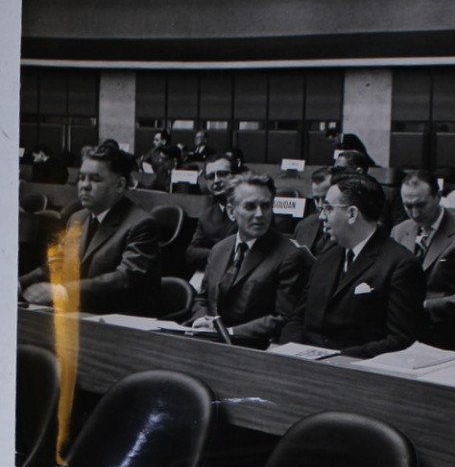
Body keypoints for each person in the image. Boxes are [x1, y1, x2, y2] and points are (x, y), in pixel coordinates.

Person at [280, 173, 426, 358]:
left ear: (352, 214)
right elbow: (298, 318)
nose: (321, 217)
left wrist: (334, 358)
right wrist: (290, 351)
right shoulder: (327, 258)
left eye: (328, 209)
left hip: (357, 372)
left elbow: (400, 340)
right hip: (307, 365)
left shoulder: (401, 264)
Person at [19, 145, 161, 316]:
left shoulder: (141, 223)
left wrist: (62, 291)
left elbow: (124, 279)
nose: (84, 186)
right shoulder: (78, 218)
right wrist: (20, 283)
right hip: (81, 317)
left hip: (123, 326)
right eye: (81, 178)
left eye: (95, 179)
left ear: (120, 185)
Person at [189, 174, 311, 340]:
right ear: (232, 212)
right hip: (209, 340)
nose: (260, 214)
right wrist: (201, 320)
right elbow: (203, 299)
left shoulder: (289, 255)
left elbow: (283, 317)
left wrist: (228, 332)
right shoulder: (219, 249)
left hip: (252, 346)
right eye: (250, 207)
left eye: (266, 206)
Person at [392, 170, 455, 350]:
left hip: (443, 331)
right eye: (408, 206)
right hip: (400, 329)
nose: (414, 213)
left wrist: (420, 307)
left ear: (438, 196)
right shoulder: (399, 231)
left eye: (420, 205)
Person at [184, 153, 239, 272]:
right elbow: (191, 253)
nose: (216, 180)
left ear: (236, 176)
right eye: (210, 176)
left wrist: (211, 251)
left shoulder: (250, 209)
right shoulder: (207, 215)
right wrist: (221, 253)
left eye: (222, 174)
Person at [334, 150, 407, 232]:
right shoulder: (334, 193)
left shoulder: (389, 195)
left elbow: (401, 230)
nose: (335, 175)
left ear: (359, 171)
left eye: (340, 170)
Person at [292, 166, 336, 257]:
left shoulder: (350, 231)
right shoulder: (304, 226)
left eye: (325, 199)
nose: (320, 205)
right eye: (316, 199)